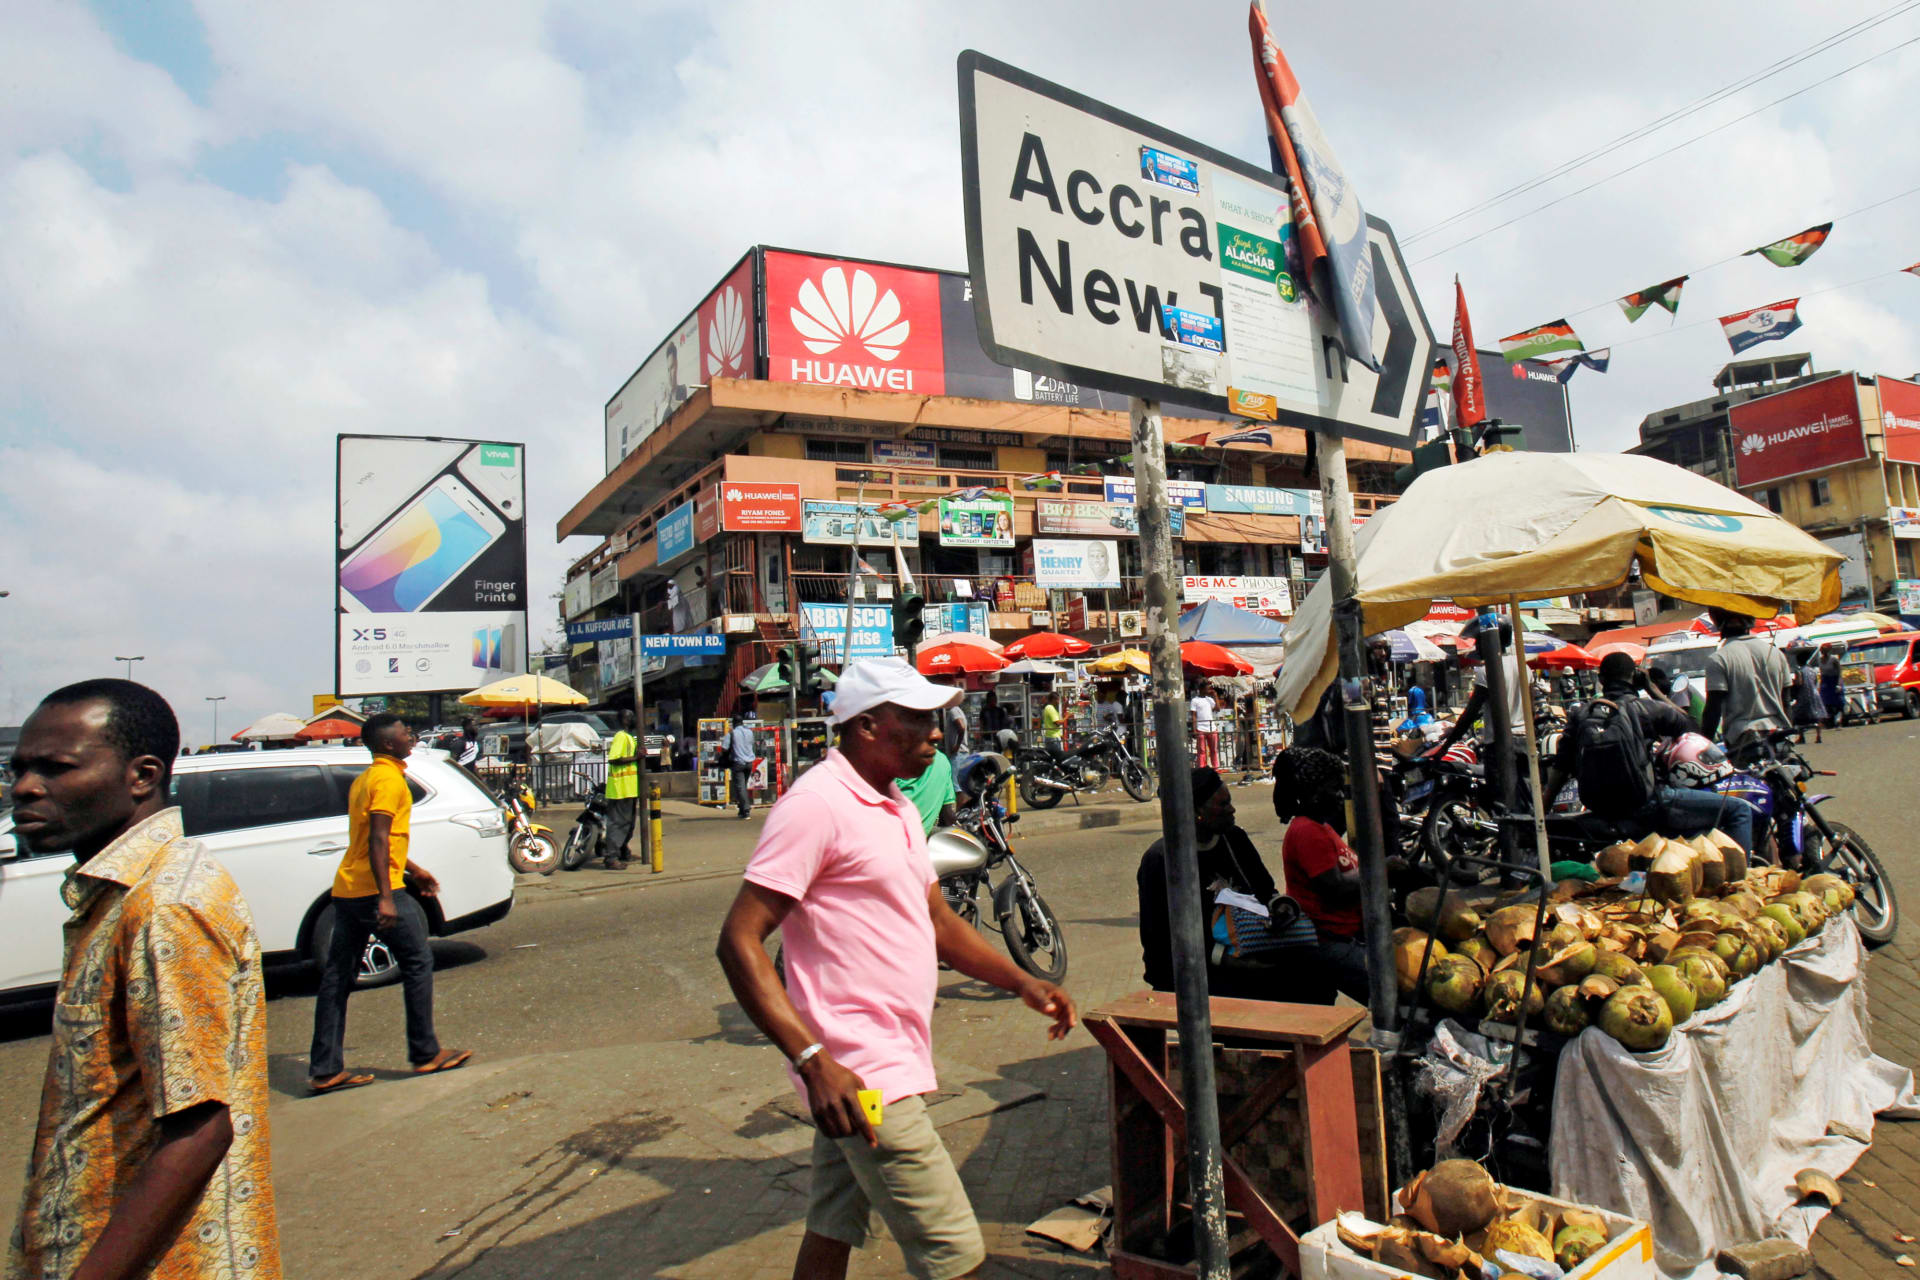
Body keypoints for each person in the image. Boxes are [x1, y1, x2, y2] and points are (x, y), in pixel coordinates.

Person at [716, 657, 1075, 1280]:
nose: (937, 731)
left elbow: (936, 920)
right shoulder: (816, 806)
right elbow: (739, 940)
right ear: (868, 727)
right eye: (918, 718)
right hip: (863, 1074)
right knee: (958, 1256)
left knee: (831, 1228)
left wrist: (1022, 981)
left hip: (878, 1065)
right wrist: (812, 1061)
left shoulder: (896, 806)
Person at [5, 680, 280, 1278]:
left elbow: (200, 1129)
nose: (24, 787)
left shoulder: (163, 907)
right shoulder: (119, 897)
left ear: (142, 775)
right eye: (18, 767)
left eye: (55, 768)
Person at [309, 713, 470, 1092]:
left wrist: (414, 870)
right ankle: (426, 1053)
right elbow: (379, 838)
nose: (410, 736)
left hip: (348, 890)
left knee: (337, 978)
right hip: (375, 890)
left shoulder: (367, 778)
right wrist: (386, 897)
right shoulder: (387, 780)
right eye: (403, 732)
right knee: (417, 961)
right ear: (387, 744)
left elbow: (376, 836)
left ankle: (325, 1069)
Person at [1136, 768, 1328, 1004]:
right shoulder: (1162, 860)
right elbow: (1160, 942)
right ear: (1196, 811)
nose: (1232, 809)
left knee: (1316, 971)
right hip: (1198, 969)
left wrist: (1279, 907)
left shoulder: (1234, 839)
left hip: (1247, 949)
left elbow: (1265, 890)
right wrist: (1226, 960)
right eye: (1223, 804)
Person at [1549, 652, 1753, 851]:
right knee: (1739, 810)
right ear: (1634, 677)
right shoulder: (1646, 709)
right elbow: (1692, 727)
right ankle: (1740, 882)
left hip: (1602, 809)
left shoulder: (1580, 715)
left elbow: (1561, 768)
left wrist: (1543, 809)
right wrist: (1651, 687)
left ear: (1601, 680)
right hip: (1650, 804)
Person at [1273, 747, 1371, 1003]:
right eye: (1335, 789)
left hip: (1345, 936)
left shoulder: (1322, 827)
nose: (1341, 796)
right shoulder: (1307, 832)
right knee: (1391, 989)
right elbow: (1335, 888)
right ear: (1315, 794)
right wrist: (1379, 874)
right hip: (1328, 942)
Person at [1700, 608, 1794, 760]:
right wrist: (1789, 733)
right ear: (1750, 622)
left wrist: (1704, 746)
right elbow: (1787, 702)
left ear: (1717, 622)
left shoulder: (1718, 659)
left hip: (1743, 742)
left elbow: (1713, 710)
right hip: (1779, 735)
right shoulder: (1776, 653)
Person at [602, 710, 640, 867]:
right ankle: (611, 857)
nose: (632, 719)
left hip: (630, 787)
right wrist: (637, 757)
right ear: (624, 720)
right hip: (620, 788)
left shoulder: (629, 737)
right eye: (629, 717)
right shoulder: (620, 736)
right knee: (618, 823)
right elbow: (614, 759)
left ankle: (623, 850)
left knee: (628, 823)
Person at [897, 747, 958, 838]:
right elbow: (948, 814)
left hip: (891, 838)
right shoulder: (943, 761)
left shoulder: (893, 758)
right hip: (920, 840)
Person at [1790, 648, 1826, 744]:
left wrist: (1793, 684)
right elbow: (1815, 681)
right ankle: (1818, 736)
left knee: (1800, 716)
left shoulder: (1799, 671)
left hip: (1804, 694)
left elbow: (1799, 683)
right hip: (1814, 693)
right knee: (1817, 714)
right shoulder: (1812, 670)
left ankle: (1801, 737)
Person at [728, 713, 759, 819]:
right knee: (742, 786)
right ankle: (741, 810)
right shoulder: (749, 732)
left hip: (738, 763)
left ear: (734, 724)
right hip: (749, 763)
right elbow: (752, 745)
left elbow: (724, 747)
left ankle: (746, 810)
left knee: (740, 787)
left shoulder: (732, 733)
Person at [1188, 684, 1219, 769]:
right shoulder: (1195, 700)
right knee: (1201, 750)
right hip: (1200, 728)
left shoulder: (1209, 699)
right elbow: (1193, 715)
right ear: (1201, 689)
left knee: (1214, 749)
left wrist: (1215, 696)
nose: (1208, 690)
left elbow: (1217, 708)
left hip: (1211, 727)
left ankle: (1215, 767)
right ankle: (1202, 767)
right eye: (1206, 688)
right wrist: (1194, 729)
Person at [1818, 643, 1845, 730]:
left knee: (1838, 702)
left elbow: (1839, 673)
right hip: (1825, 682)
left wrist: (1839, 684)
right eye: (1822, 650)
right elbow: (1821, 673)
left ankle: (1838, 721)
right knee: (1826, 702)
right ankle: (1829, 721)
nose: (1823, 652)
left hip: (1834, 681)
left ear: (1829, 650)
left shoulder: (1834, 659)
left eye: (1825, 650)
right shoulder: (1820, 660)